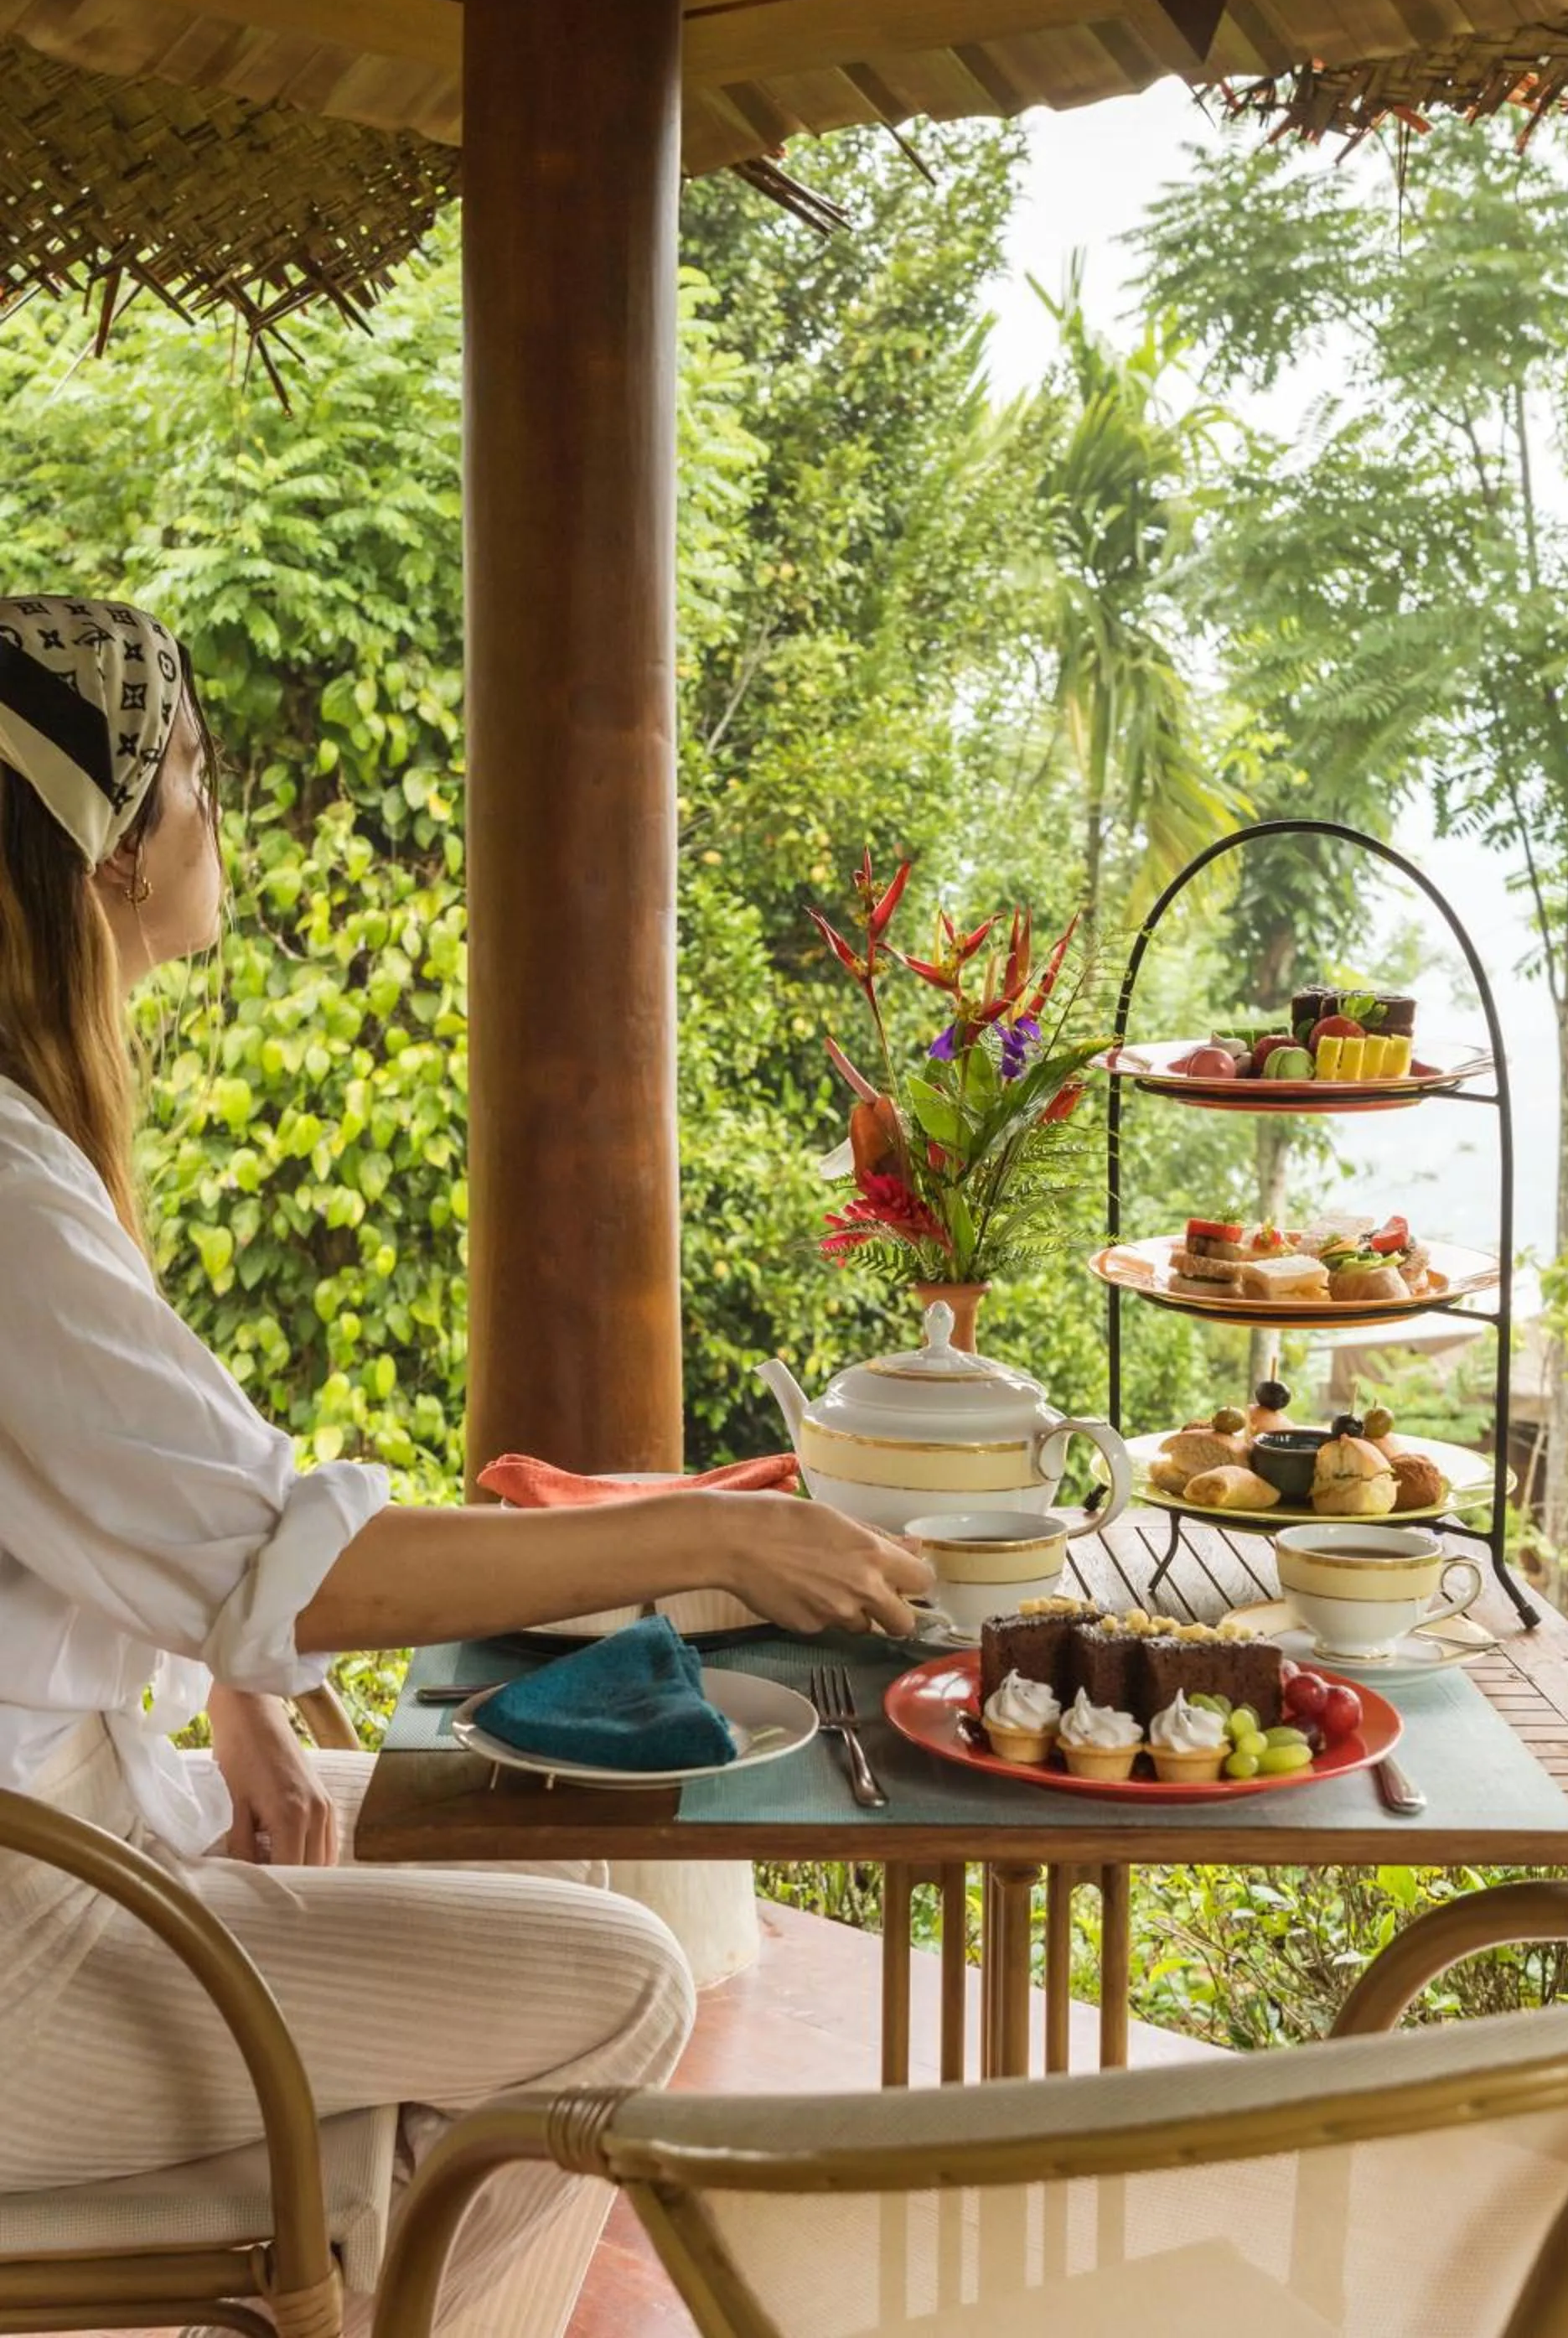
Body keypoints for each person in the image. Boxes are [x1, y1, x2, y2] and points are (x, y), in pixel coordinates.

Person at [0, 595, 929, 2334]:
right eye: (192, 771)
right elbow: (310, 1566)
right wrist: (713, 1538)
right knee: (617, 1988)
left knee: (556, 1838)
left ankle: (358, 2274)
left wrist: (240, 1694)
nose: (216, 814)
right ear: (110, 848)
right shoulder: (7, 1197)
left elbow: (133, 1507)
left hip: (101, 1830)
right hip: (35, 1945)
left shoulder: (29, 1149)